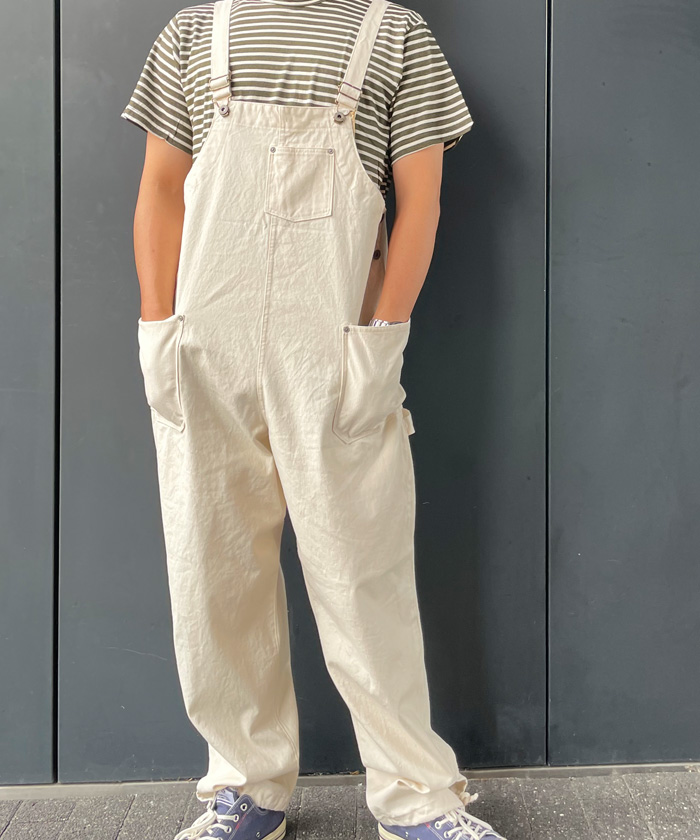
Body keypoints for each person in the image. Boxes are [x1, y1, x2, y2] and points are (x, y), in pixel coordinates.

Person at [121, 1, 506, 839]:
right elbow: (160, 188)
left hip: (334, 350)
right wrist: (157, 327)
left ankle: (416, 795)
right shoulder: (193, 33)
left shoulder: (395, 35)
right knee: (212, 574)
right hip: (204, 348)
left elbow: (421, 204)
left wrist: (382, 335)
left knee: (363, 577)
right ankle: (247, 789)